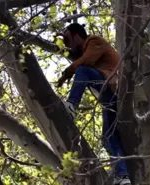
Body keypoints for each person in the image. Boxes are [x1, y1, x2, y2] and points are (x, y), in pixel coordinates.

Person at [56, 23, 131, 185]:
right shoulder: (84, 50)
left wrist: (68, 72)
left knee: (82, 70)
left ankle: (71, 106)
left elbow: (87, 61)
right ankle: (123, 176)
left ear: (76, 35)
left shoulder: (94, 41)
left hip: (113, 88)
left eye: (68, 39)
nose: (68, 45)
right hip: (109, 97)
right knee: (108, 137)